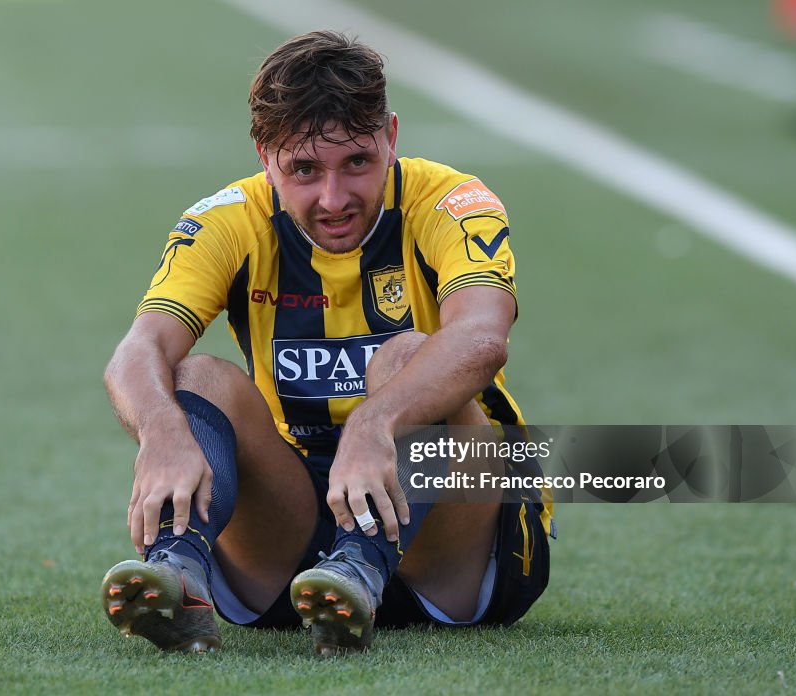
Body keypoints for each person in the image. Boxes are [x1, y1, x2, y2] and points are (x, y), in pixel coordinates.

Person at [100, 30, 553, 656]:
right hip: (293, 534)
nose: (333, 199)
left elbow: (481, 338)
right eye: (305, 170)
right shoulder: (227, 219)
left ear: (392, 136)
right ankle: (179, 574)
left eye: (358, 163)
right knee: (197, 376)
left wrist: (374, 424)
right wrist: (161, 432)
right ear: (265, 156)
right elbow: (137, 350)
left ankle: (361, 569)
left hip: (457, 547)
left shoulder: (452, 201)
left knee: (407, 355)